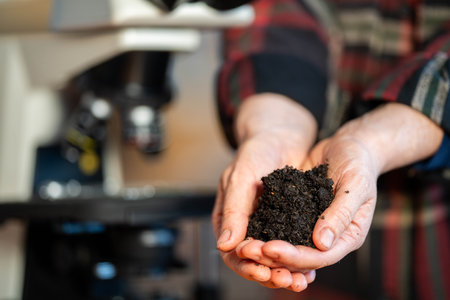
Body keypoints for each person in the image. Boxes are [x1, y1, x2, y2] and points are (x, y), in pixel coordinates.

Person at [211, 0, 450, 299]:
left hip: (437, 249)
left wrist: (370, 142)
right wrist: (274, 128)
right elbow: (279, 14)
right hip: (315, 282)